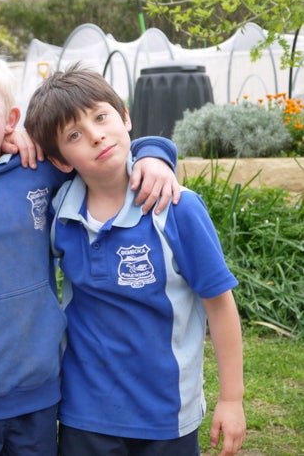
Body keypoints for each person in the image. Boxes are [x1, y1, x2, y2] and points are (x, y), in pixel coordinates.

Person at [0, 45, 181, 455]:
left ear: (12, 118)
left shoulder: (40, 171)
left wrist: (155, 153)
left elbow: (100, 150)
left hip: (39, 393)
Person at [23, 65, 246, 456]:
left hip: (166, 414)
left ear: (125, 116)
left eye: (101, 117)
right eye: (74, 135)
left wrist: (232, 398)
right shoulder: (58, 211)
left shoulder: (177, 207)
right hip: (83, 413)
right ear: (60, 160)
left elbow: (220, 304)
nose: (95, 136)